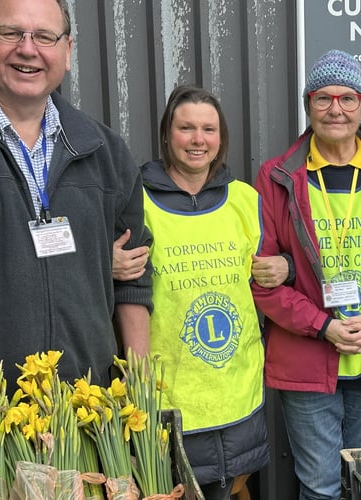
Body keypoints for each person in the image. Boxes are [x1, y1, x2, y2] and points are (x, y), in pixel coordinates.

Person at [0, 0, 152, 497]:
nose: (28, 50)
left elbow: (136, 280)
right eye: (12, 33)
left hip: (83, 427)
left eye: (45, 37)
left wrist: (140, 398)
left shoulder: (103, 149)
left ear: (68, 51)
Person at [252, 49, 361, 500]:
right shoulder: (276, 178)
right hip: (308, 355)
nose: (336, 109)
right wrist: (324, 326)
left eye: (348, 98)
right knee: (320, 488)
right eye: (324, 98)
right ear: (308, 105)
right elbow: (261, 279)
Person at [112, 85, 286, 500]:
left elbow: (284, 268)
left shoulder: (246, 200)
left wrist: (287, 267)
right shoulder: (137, 200)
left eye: (208, 129)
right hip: (170, 397)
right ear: (167, 134)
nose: (197, 139)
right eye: (186, 127)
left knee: (232, 489)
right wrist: (107, 265)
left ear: (221, 137)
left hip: (237, 393)